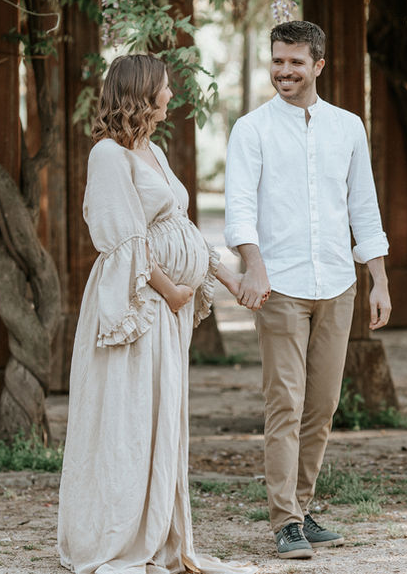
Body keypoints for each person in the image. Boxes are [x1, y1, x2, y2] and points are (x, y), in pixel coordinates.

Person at [57, 54, 256, 574]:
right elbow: (121, 234)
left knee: (159, 418)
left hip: (166, 311)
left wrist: (225, 277)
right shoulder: (108, 155)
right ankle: (115, 536)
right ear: (143, 93)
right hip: (136, 308)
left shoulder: (153, 151)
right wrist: (170, 290)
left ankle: (160, 533)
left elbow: (180, 228)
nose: (171, 95)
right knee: (127, 417)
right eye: (166, 87)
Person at [224, 20, 392, 560]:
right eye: (277, 61)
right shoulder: (251, 130)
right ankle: (285, 521)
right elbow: (240, 209)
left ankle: (302, 505)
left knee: (322, 405)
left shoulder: (348, 127)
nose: (284, 72)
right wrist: (252, 266)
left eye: (295, 62)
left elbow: (363, 207)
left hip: (338, 283)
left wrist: (379, 280)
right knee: (285, 402)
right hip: (280, 286)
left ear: (319, 65)